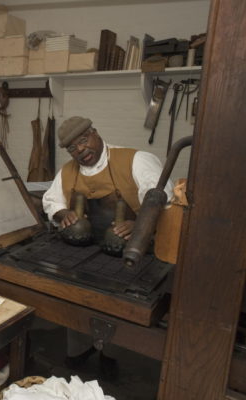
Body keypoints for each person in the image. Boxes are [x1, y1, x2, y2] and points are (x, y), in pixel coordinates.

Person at [42, 116, 172, 377]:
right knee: (77, 298)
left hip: (129, 248)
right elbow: (50, 201)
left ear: (95, 133)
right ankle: (79, 351)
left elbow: (161, 196)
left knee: (118, 305)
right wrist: (62, 214)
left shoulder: (135, 159)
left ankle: (112, 355)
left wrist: (139, 225)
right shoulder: (68, 171)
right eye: (72, 148)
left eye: (83, 141)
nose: (81, 151)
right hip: (87, 250)